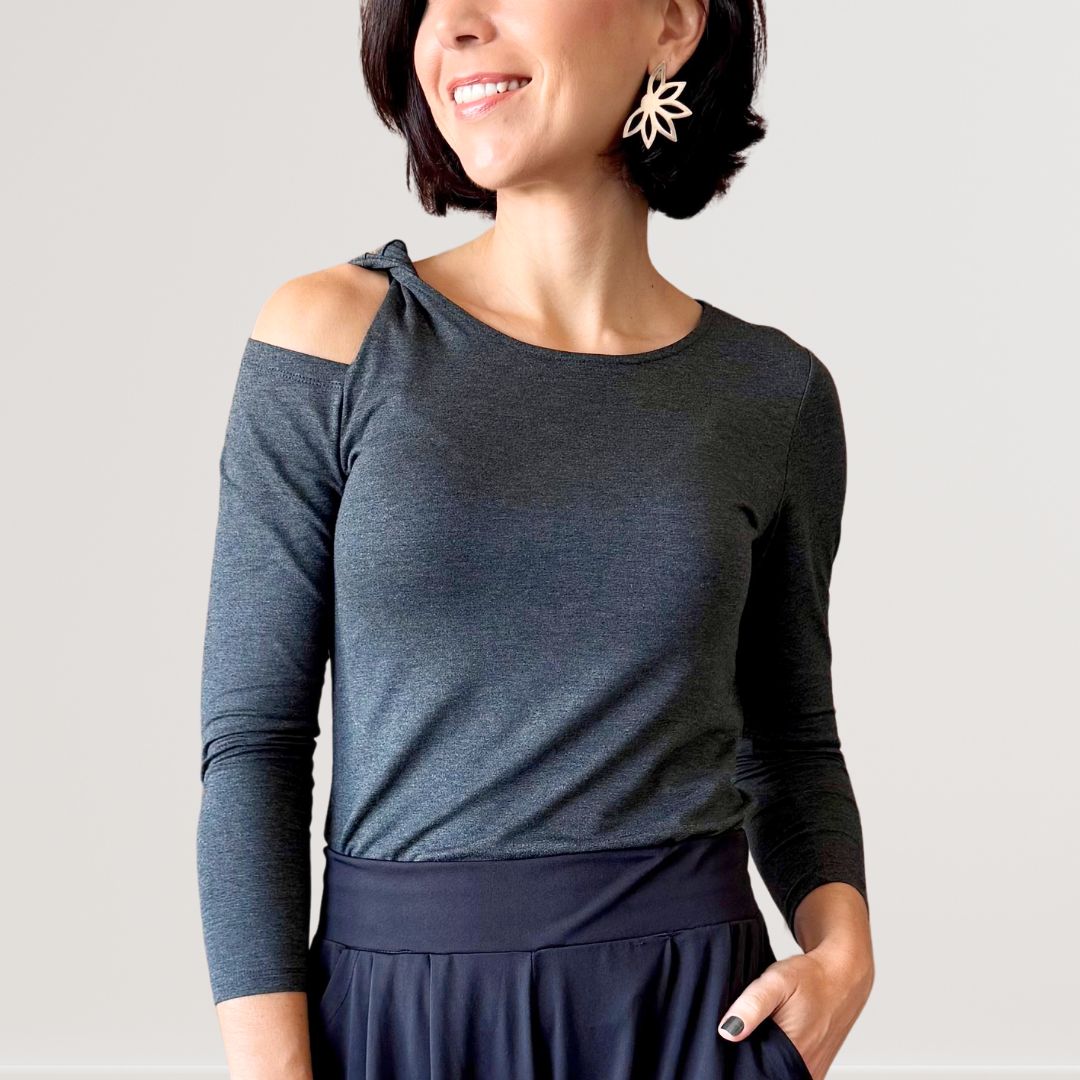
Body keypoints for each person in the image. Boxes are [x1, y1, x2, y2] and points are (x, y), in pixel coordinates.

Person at [196, 0, 875, 1076]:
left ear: (672, 22)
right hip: (405, 1018)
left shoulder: (770, 393)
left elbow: (791, 739)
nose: (454, 25)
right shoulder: (336, 341)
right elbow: (254, 745)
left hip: (691, 1015)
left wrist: (843, 956)